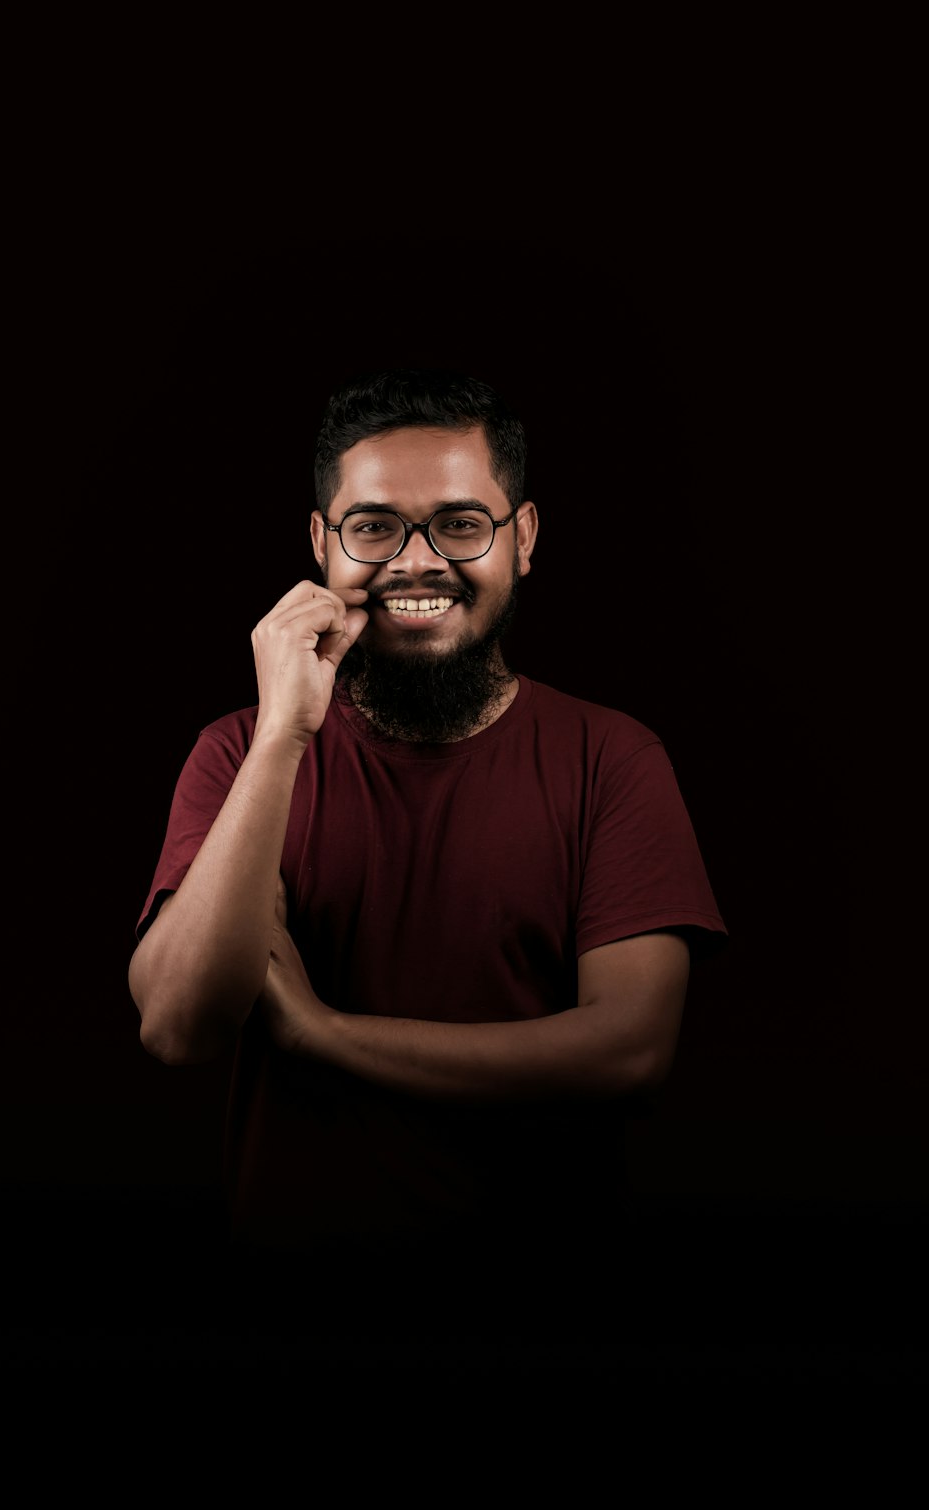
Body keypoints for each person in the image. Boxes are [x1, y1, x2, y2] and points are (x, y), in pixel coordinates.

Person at [128, 367, 727, 1361]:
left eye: (458, 523)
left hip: (555, 1313)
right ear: (320, 543)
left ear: (522, 538)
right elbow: (182, 1024)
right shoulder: (237, 755)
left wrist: (320, 1033)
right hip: (285, 1311)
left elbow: (627, 1051)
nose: (416, 561)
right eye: (372, 527)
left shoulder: (612, 759)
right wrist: (285, 734)